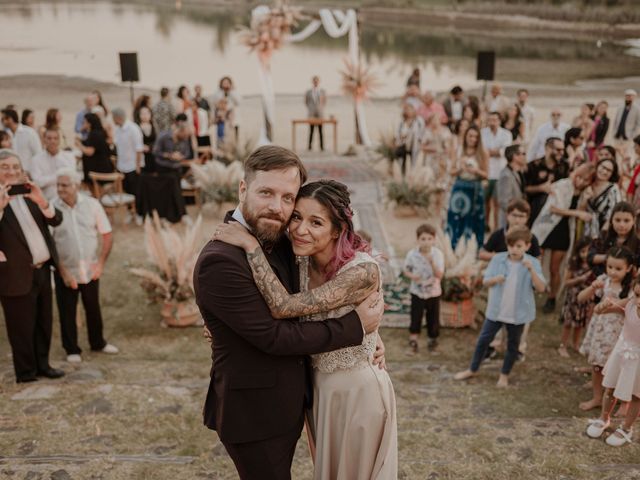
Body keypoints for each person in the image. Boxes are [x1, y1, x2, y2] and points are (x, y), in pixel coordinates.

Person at [194, 147, 386, 480]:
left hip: (296, 400)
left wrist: (372, 335)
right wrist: (356, 327)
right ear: (243, 189)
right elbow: (273, 336)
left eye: (287, 198)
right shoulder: (221, 259)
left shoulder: (283, 237)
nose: (277, 207)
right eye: (266, 192)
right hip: (254, 414)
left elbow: (319, 292)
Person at [0, 149, 64, 383]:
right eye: (5, 167)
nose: (12, 171)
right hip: (14, 275)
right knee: (20, 327)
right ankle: (25, 372)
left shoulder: (30, 193)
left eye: (15, 167)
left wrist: (42, 201)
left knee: (43, 321)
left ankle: (43, 365)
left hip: (43, 270)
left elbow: (56, 219)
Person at [454, 226, 546, 387]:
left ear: (527, 246)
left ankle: (504, 375)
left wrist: (532, 270)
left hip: (518, 313)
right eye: (511, 246)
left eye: (519, 246)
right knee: (483, 340)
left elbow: (541, 288)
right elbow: (485, 281)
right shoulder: (498, 259)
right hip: (496, 311)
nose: (514, 250)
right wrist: (495, 279)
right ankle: (473, 369)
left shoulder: (532, 262)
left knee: (512, 345)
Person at [52, 168, 118, 363]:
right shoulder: (51, 208)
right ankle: (72, 349)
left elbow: (107, 234)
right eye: (58, 185)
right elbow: (50, 244)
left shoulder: (91, 205)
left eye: (65, 185)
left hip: (89, 269)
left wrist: (100, 263)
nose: (60, 189)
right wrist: (62, 271)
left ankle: (98, 342)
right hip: (65, 270)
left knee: (93, 307)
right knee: (67, 310)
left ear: (77, 186)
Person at [532, 163, 595, 313]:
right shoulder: (563, 185)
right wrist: (577, 214)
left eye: (585, 180)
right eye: (579, 177)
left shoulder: (584, 192)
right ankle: (532, 289)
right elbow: (554, 208)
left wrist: (584, 201)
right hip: (547, 228)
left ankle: (552, 297)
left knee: (555, 268)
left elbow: (580, 210)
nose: (580, 182)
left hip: (564, 232)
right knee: (535, 261)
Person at [587, 276, 640, 447]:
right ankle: (604, 417)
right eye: (637, 294)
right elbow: (600, 310)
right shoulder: (630, 303)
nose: (639, 301)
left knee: (636, 395)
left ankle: (626, 428)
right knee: (610, 387)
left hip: (638, 359)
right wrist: (602, 306)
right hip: (621, 351)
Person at [579, 246, 634, 411]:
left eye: (618, 268)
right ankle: (597, 397)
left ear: (629, 268)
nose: (613, 272)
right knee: (597, 366)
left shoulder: (631, 287)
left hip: (621, 332)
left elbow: (629, 305)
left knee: (619, 367)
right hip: (601, 331)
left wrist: (607, 307)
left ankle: (621, 402)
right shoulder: (604, 281)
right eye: (610, 267)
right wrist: (592, 288)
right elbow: (581, 298)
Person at [403, 223, 444, 354]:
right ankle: (413, 342)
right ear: (417, 240)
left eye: (429, 239)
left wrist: (431, 262)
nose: (426, 242)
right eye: (423, 239)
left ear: (434, 239)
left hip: (433, 292)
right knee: (416, 316)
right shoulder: (412, 254)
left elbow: (439, 275)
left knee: (433, 318)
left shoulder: (438, 254)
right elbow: (406, 270)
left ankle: (433, 342)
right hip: (417, 292)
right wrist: (413, 276)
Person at [446, 125, 489, 248]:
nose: (473, 139)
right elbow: (451, 171)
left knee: (475, 219)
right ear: (466, 136)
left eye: (476, 136)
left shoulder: (483, 152)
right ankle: (454, 245)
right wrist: (461, 168)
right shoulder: (458, 150)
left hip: (475, 188)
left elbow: (486, 174)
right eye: (470, 136)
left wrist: (476, 170)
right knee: (456, 217)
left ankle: (472, 246)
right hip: (460, 187)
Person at [558, 237, 593, 358]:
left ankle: (576, 344)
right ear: (577, 251)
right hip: (572, 297)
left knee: (580, 323)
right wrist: (580, 279)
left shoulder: (593, 264)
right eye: (583, 251)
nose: (586, 254)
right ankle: (563, 345)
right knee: (569, 322)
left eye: (589, 251)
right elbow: (566, 282)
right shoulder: (573, 262)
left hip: (586, 298)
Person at [587, 201, 639, 278]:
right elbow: (590, 257)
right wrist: (610, 257)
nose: (621, 225)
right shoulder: (603, 237)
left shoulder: (637, 243)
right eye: (617, 220)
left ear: (633, 221)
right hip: (600, 280)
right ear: (611, 220)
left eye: (626, 220)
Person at [524, 137, 570, 224]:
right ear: (547, 149)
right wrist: (541, 188)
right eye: (558, 150)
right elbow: (524, 189)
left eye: (563, 150)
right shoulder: (533, 166)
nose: (561, 153)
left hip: (558, 211)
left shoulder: (565, 165)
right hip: (536, 211)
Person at [482, 112, 513, 230]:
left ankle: (496, 227)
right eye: (490, 120)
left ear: (499, 121)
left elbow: (504, 151)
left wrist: (492, 152)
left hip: (500, 173)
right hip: (486, 171)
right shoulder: (482, 133)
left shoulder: (506, 134)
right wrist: (495, 151)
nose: (492, 122)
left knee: (497, 203)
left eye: (495, 120)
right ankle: (485, 225)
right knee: (485, 201)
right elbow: (483, 151)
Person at [113, 108, 144, 223]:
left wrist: (138, 165)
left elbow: (139, 148)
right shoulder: (118, 129)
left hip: (133, 165)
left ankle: (139, 213)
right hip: (122, 166)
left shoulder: (133, 129)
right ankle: (131, 212)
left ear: (117, 118)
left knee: (136, 191)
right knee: (127, 190)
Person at [30, 129, 76, 200]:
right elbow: (38, 182)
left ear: (59, 140)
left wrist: (47, 179)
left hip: (68, 198)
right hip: (46, 200)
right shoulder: (36, 159)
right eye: (49, 138)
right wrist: (59, 177)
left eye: (55, 138)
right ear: (44, 140)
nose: (52, 141)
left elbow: (73, 179)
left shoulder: (69, 157)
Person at [583, 157, 622, 238]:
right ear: (597, 166)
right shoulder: (588, 184)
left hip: (604, 232)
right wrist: (585, 198)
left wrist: (601, 235)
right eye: (603, 167)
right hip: (586, 230)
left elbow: (614, 213)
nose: (604, 171)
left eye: (609, 170)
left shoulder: (613, 188)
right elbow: (580, 211)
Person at [75, 112, 114, 185]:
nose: (83, 123)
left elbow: (90, 152)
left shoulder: (95, 134)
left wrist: (79, 145)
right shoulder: (96, 132)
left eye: (85, 122)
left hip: (99, 168)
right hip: (98, 165)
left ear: (90, 123)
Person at [1, 108, 42, 175]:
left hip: (28, 172)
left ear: (10, 118)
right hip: (11, 173)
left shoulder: (29, 132)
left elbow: (38, 153)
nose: (3, 122)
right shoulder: (5, 135)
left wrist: (33, 171)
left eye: (4, 119)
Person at [496, 145, 527, 228]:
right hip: (509, 222)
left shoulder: (516, 172)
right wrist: (517, 215)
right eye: (523, 154)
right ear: (515, 156)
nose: (525, 156)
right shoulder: (506, 175)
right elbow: (504, 202)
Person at [394, 103, 424, 176]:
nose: (408, 111)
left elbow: (422, 133)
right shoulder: (402, 122)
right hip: (403, 145)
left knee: (414, 164)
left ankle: (412, 176)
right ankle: (403, 176)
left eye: (410, 109)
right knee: (403, 163)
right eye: (407, 109)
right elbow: (397, 134)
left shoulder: (419, 121)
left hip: (415, 146)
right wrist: (401, 137)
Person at [304, 76, 326, 151]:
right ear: (313, 82)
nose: (316, 82)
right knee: (311, 131)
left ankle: (322, 147)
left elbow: (324, 102)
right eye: (314, 81)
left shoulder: (322, 91)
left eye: (317, 81)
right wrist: (310, 109)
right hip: (311, 114)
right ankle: (309, 146)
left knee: (320, 131)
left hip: (320, 114)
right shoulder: (308, 92)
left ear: (319, 82)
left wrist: (320, 108)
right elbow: (306, 102)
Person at [136, 106, 157, 173]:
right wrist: (142, 147)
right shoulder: (136, 127)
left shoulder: (154, 126)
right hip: (141, 156)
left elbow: (157, 141)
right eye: (142, 113)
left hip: (153, 155)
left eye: (147, 113)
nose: (145, 116)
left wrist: (150, 147)